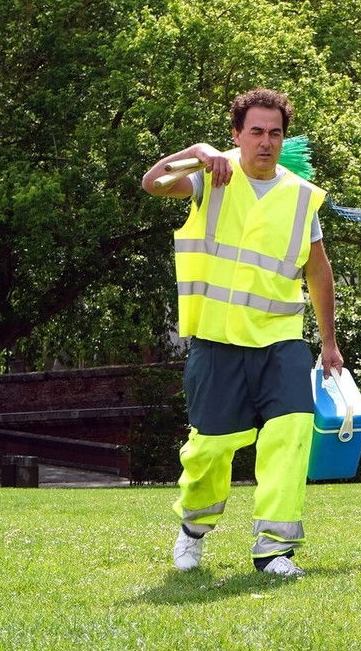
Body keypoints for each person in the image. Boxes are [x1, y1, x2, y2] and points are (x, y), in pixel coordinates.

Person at [142, 88, 343, 578]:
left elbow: (319, 272)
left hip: (281, 341)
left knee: (291, 434)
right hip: (217, 340)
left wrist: (330, 343)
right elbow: (151, 183)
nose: (265, 142)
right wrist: (196, 152)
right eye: (255, 131)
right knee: (211, 446)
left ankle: (274, 548)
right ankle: (193, 529)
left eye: (275, 133)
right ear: (237, 134)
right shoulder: (211, 177)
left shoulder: (301, 197)